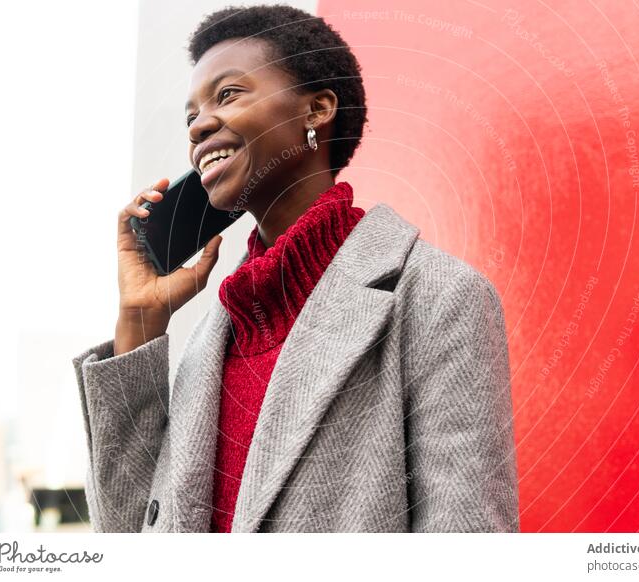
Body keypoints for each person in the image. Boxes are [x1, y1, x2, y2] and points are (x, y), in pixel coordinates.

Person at [72, 4, 519, 533]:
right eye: (190, 115)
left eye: (228, 94)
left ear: (317, 109)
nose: (199, 127)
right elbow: (126, 538)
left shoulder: (439, 298)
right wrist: (138, 324)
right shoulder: (213, 343)